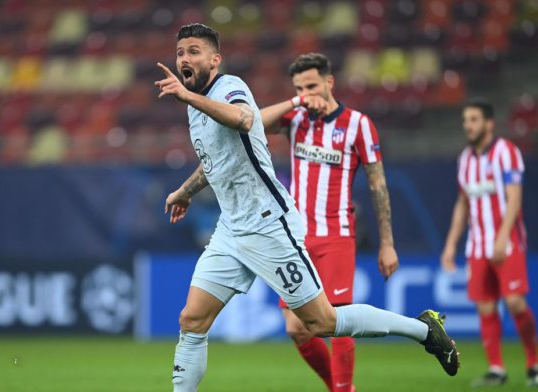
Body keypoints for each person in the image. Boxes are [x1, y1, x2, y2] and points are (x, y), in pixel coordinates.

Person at [157, 23, 459, 392]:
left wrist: (188, 98)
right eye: (180, 53)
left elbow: (245, 119)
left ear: (214, 59)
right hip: (231, 229)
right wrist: (186, 191)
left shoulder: (229, 88)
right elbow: (216, 160)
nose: (184, 59)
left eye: (193, 51)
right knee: (192, 319)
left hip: (269, 224)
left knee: (321, 322)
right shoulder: (196, 103)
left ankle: (424, 330)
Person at [259, 52, 399, 392]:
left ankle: (342, 389)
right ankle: (338, 387)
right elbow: (253, 123)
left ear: (329, 82)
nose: (307, 93)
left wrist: (386, 243)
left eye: (311, 86)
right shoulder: (296, 118)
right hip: (297, 238)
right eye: (299, 88)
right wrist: (297, 101)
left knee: (337, 323)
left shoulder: (358, 124)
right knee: (295, 328)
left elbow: (378, 183)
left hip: (336, 234)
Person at [441, 99, 537, 387]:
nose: (467, 126)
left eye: (473, 120)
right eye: (465, 120)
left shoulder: (507, 153)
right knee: (485, 307)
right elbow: (462, 204)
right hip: (477, 245)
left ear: (489, 123)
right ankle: (497, 368)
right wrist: (450, 245)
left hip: (506, 244)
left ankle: (533, 363)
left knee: (515, 302)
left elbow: (514, 198)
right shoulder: (465, 159)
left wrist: (502, 237)